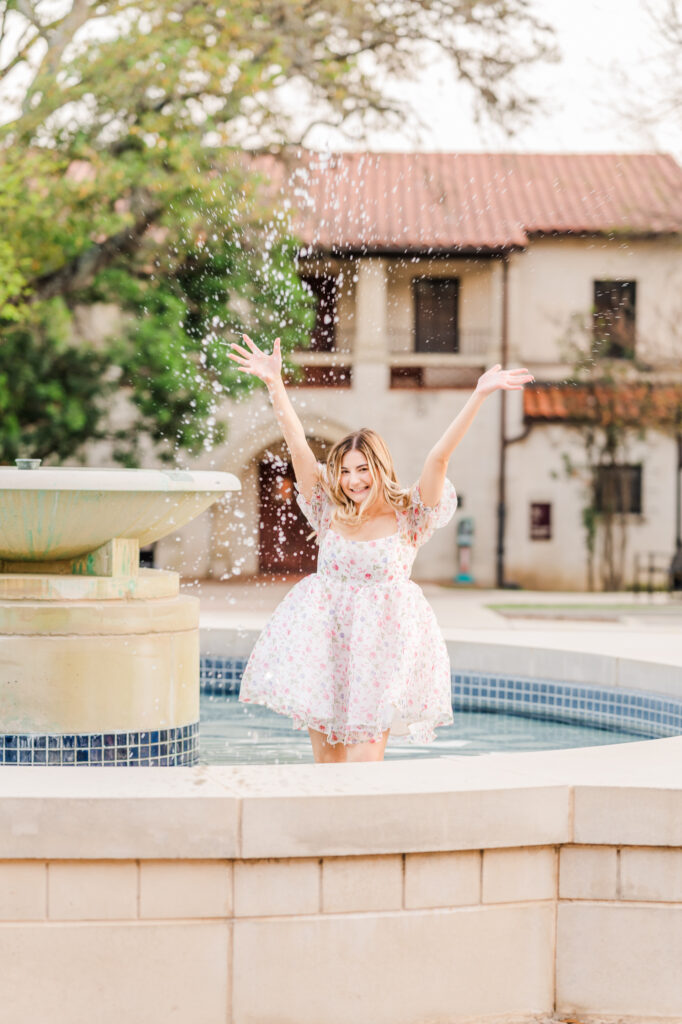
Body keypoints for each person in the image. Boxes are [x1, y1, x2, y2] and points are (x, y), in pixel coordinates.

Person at [227, 333, 533, 764]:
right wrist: (275, 384)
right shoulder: (327, 509)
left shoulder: (410, 516)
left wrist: (479, 395)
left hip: (379, 657)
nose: (354, 480)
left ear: (380, 468)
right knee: (328, 771)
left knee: (362, 769)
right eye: (346, 471)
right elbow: (298, 446)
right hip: (326, 652)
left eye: (363, 469)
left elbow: (438, 459)